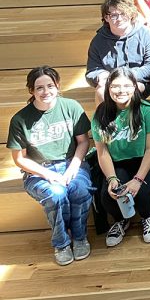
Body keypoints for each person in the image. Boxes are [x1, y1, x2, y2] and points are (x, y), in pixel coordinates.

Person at [8, 66, 92, 265]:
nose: (46, 92)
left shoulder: (71, 107)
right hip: (38, 170)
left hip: (72, 163)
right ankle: (61, 243)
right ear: (31, 91)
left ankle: (80, 237)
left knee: (79, 189)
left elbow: (83, 142)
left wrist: (73, 167)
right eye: (39, 88)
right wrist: (48, 174)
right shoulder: (20, 119)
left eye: (50, 86)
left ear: (58, 86)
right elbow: (20, 159)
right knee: (56, 194)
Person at [92, 68, 150, 247]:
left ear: (135, 87)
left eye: (126, 85)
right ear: (108, 88)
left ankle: (148, 219)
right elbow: (102, 152)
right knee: (108, 195)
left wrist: (138, 180)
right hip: (118, 162)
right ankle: (121, 221)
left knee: (139, 192)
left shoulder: (147, 111)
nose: (121, 90)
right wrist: (111, 179)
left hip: (148, 160)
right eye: (116, 86)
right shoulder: (101, 114)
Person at [86, 0, 150, 104]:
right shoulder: (98, 40)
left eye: (123, 14)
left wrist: (126, 77)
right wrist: (100, 75)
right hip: (111, 83)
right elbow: (92, 71)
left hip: (138, 82)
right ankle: (104, 121)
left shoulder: (146, 34)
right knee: (101, 90)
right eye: (114, 15)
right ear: (106, 18)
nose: (119, 19)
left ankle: (130, 121)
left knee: (127, 91)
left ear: (131, 14)